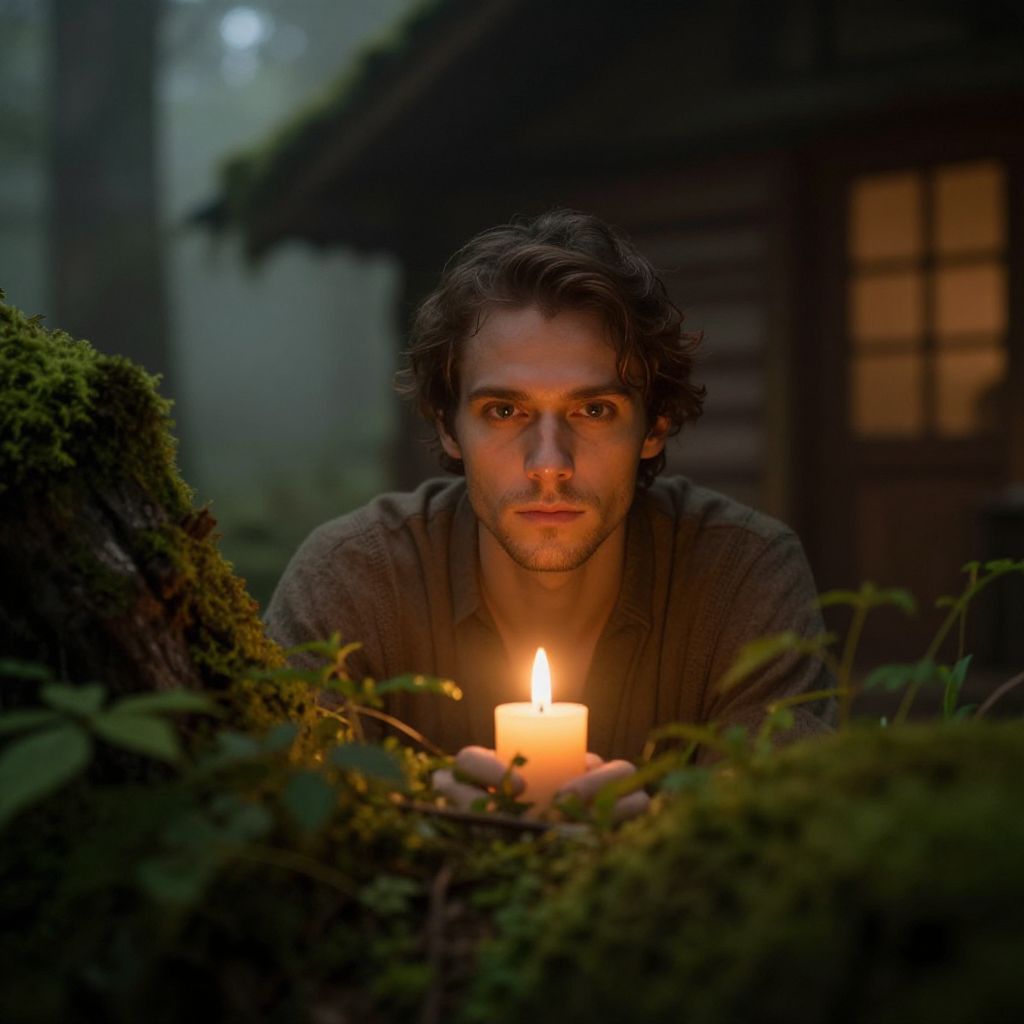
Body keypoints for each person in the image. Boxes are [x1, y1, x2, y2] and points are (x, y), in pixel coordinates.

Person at [265, 209, 835, 817]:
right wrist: (420, 832)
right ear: (448, 426)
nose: (548, 464)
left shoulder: (742, 575)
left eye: (593, 412)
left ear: (655, 426)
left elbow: (784, 834)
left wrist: (652, 841)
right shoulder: (354, 578)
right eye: (504, 412)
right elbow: (278, 824)